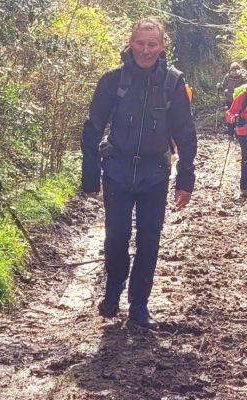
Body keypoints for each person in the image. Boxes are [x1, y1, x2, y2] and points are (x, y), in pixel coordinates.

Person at [80, 18, 198, 328]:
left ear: (162, 46)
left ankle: (139, 304)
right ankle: (113, 288)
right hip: (117, 170)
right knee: (116, 236)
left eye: (152, 44)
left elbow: (186, 134)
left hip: (155, 173)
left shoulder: (173, 83)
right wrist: (89, 174)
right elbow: (92, 127)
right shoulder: (112, 81)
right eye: (140, 43)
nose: (146, 51)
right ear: (130, 43)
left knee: (149, 240)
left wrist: (185, 178)